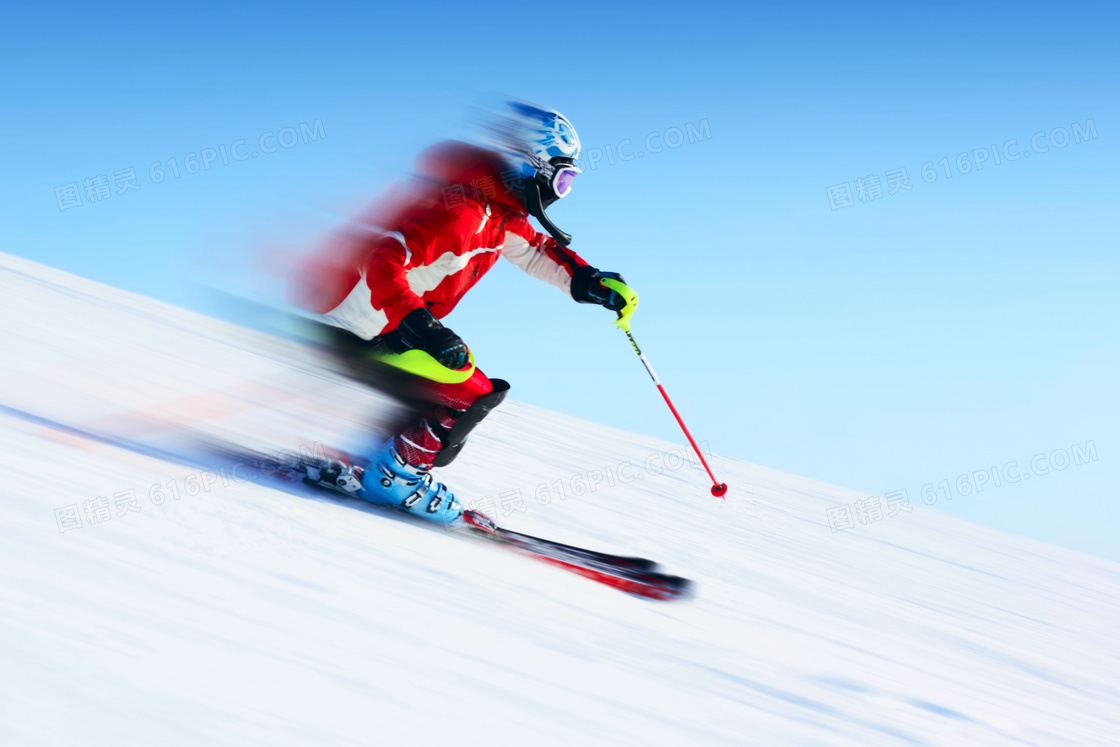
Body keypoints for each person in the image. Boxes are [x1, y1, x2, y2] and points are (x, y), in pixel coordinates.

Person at [294, 102, 638, 526]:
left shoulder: (496, 211)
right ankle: (394, 478)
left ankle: (371, 465)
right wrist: (420, 326)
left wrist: (588, 281)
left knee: (440, 398)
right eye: (561, 179)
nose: (560, 192)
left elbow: (536, 251)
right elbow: (383, 258)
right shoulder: (461, 211)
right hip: (354, 327)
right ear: (527, 166)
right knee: (468, 391)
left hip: (385, 325)